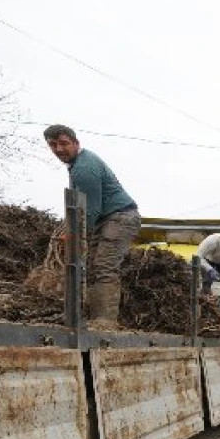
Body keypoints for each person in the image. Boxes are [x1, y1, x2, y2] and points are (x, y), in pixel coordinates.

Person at [43, 124, 141, 328]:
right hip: (107, 219)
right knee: (94, 268)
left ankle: (105, 323)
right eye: (53, 145)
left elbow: (90, 209)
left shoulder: (84, 168)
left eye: (64, 143)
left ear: (76, 143)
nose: (59, 149)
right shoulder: (77, 164)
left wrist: (74, 236)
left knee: (104, 267)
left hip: (120, 218)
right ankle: (96, 318)